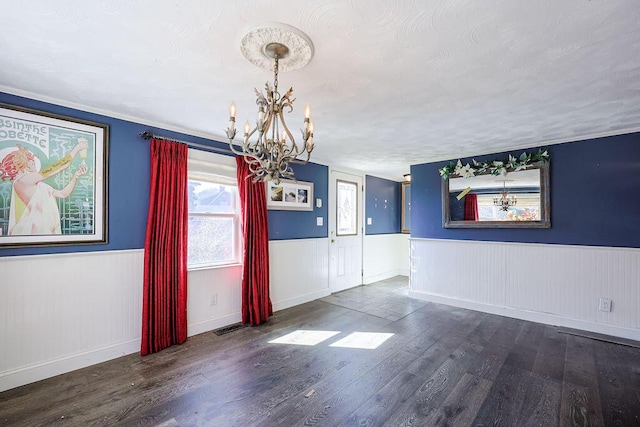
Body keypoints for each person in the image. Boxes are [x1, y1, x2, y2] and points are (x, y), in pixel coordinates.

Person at [0, 139, 88, 235]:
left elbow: (63, 194)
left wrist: (76, 176)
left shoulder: (38, 185)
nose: (33, 161)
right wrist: (76, 149)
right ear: (20, 163)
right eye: (30, 160)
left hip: (47, 229)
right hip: (34, 229)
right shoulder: (22, 180)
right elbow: (56, 168)